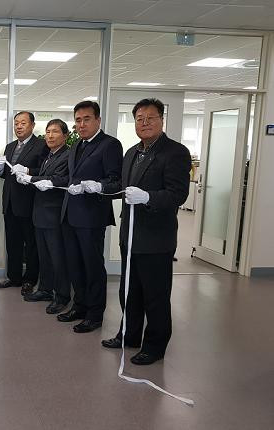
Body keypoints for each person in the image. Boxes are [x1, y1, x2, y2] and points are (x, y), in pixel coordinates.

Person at [101, 98, 191, 365]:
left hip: (156, 238)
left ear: (161, 120)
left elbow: (178, 194)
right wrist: (99, 187)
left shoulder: (175, 152)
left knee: (155, 295)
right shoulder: (131, 152)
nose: (145, 123)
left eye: (150, 118)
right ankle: (129, 335)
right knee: (129, 291)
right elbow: (123, 187)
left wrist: (148, 197)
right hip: (130, 235)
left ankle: (155, 346)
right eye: (139, 118)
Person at [58, 101, 123, 333]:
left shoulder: (110, 145)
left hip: (92, 216)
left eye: (87, 119)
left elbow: (117, 181)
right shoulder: (77, 144)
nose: (82, 124)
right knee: (75, 264)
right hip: (70, 213)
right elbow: (70, 176)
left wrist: (97, 185)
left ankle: (95, 314)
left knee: (92, 266)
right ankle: (80, 306)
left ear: (98, 120)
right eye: (78, 120)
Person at [16, 119, 70, 314]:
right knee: (44, 256)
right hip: (40, 214)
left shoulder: (67, 155)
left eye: (55, 132)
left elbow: (60, 179)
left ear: (65, 136)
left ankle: (62, 295)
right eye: (48, 132)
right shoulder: (50, 154)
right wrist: (28, 174)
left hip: (54, 215)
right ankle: (45, 289)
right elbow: (44, 174)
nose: (50, 136)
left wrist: (31, 178)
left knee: (58, 257)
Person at [0, 111, 48, 296]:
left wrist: (27, 170)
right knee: (12, 242)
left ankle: (30, 280)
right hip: (9, 202)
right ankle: (14, 277)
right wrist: (0, 168)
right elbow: (5, 174)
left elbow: (44, 171)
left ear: (32, 125)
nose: (18, 126)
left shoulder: (41, 145)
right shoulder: (10, 146)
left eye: (23, 123)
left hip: (29, 203)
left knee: (31, 244)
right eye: (16, 123)